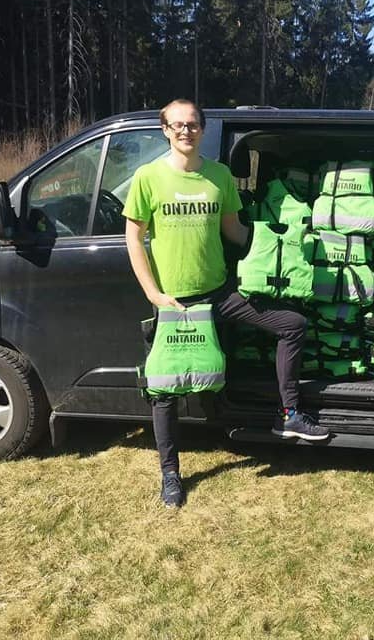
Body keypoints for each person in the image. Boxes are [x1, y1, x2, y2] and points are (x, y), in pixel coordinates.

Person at [123, 99, 329, 508]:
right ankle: (170, 475)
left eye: (193, 124)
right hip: (175, 305)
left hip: (219, 294)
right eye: (178, 125)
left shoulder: (218, 176)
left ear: (202, 129)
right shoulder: (147, 178)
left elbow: (235, 233)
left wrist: (285, 242)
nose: (186, 131)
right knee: (164, 391)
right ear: (165, 129)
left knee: (292, 325)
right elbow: (134, 237)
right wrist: (153, 293)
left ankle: (289, 415)